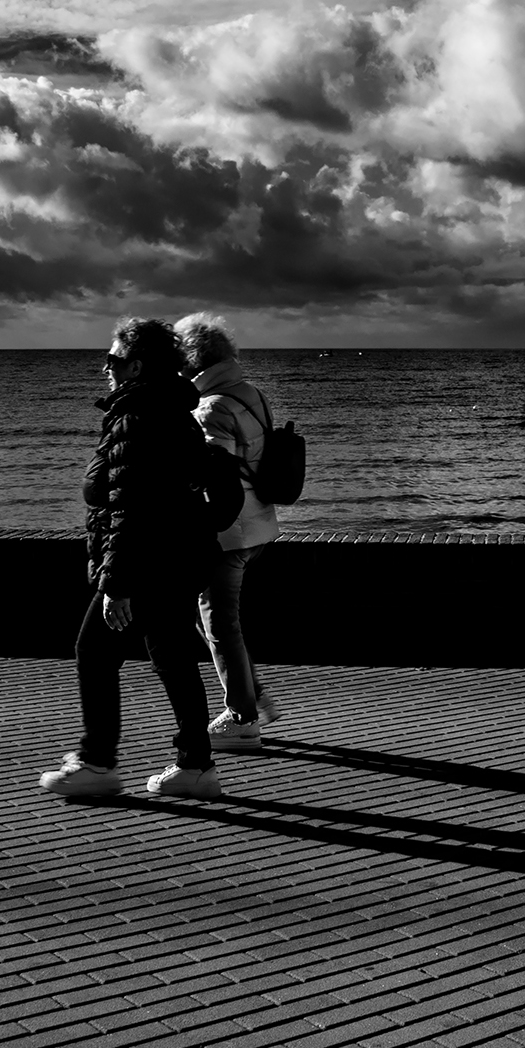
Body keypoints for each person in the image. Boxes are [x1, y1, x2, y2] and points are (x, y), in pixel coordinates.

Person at [40, 317, 223, 800]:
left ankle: (98, 762)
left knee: (95, 651)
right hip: (178, 555)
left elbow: (129, 503)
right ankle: (195, 767)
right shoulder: (172, 409)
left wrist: (115, 584)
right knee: (173, 656)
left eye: (113, 359)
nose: (105, 368)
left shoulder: (137, 414)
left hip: (147, 561)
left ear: (136, 364)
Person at [175, 312, 284, 754]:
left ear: (191, 359)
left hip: (228, 533)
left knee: (219, 621)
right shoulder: (252, 394)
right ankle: (251, 694)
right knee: (210, 618)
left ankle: (241, 718)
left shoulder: (210, 407)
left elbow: (212, 477)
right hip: (259, 523)